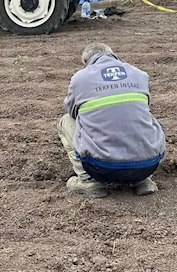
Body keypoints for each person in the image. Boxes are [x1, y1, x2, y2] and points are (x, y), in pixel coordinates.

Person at [57, 43, 165, 199]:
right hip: (148, 165)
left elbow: (72, 112)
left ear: (84, 61)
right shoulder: (139, 74)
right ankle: (141, 180)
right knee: (140, 115)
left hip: (100, 167)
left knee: (65, 121)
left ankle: (88, 180)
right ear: (114, 55)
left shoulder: (80, 78)